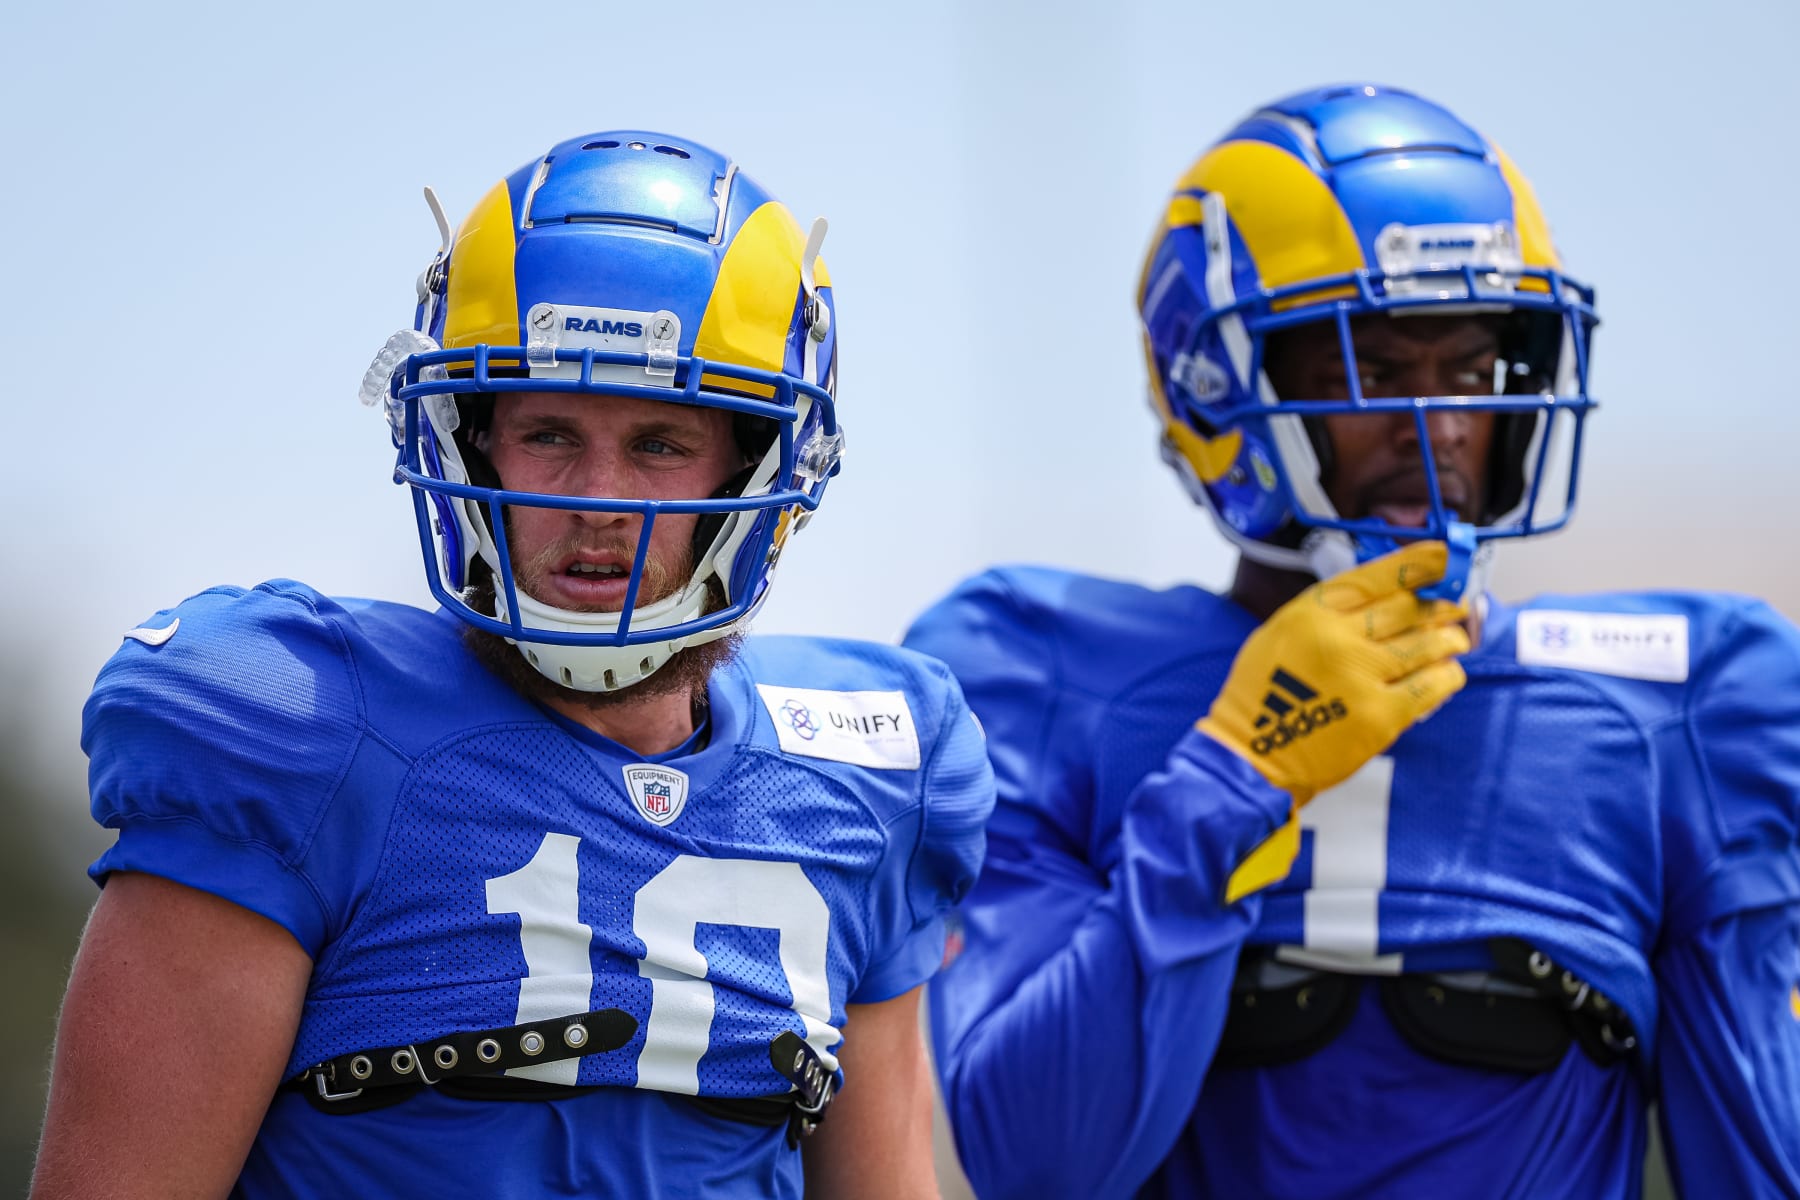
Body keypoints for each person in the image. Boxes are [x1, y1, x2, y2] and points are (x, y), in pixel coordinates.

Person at [33, 131, 993, 1199]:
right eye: (548, 432)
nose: (598, 498)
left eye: (660, 444)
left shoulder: (870, 776)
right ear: (469, 439)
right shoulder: (299, 727)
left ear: (758, 471)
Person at [905, 84, 1800, 1199]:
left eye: (1473, 368)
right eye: (1370, 370)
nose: (1444, 425)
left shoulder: (1691, 705)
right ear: (1218, 391)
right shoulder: (1043, 675)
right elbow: (1036, 1164)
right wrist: (1233, 780)